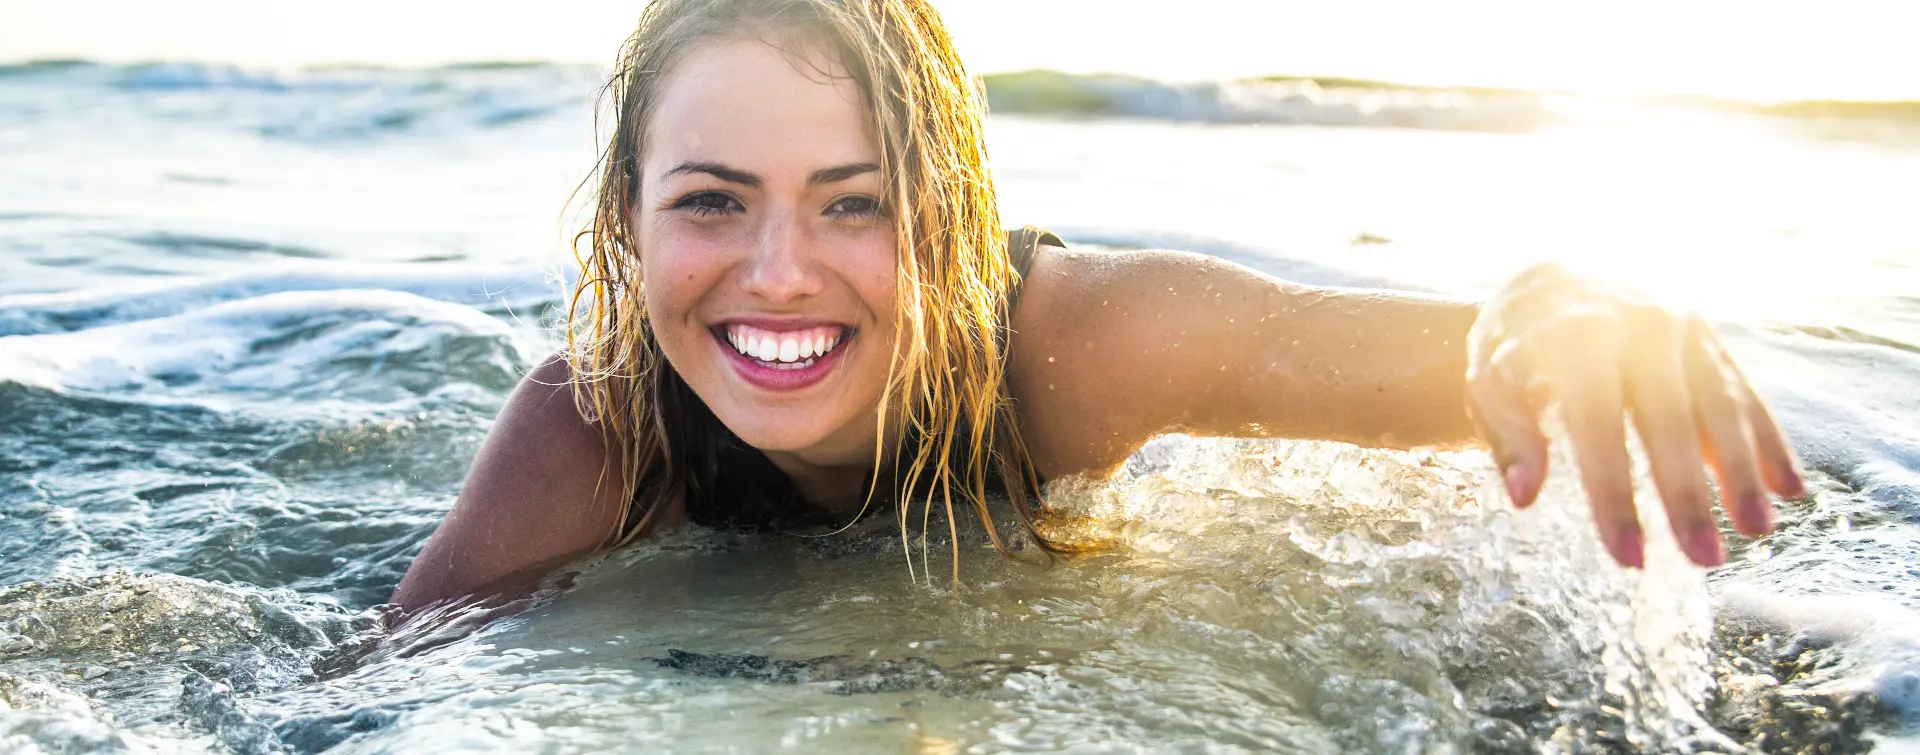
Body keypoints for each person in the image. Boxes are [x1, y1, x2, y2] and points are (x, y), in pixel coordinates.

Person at [390, 0, 1805, 613]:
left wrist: (1571, 308)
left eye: (855, 202)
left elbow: (1483, 362)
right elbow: (379, 687)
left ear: (949, 216)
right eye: (710, 201)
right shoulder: (597, 428)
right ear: (625, 223)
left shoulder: (1081, 345)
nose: (777, 272)